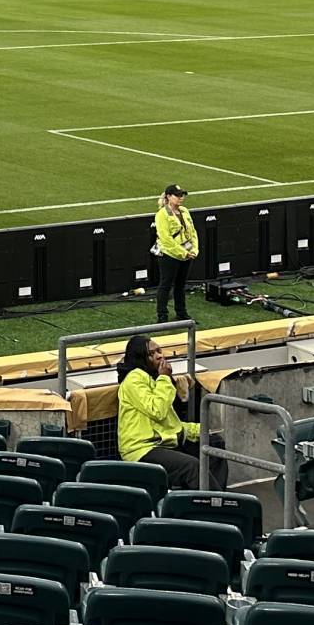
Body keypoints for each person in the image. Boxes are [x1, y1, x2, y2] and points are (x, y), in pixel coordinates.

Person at [115, 332, 201, 486]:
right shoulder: (134, 378)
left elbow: (170, 424)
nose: (159, 356)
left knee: (213, 445)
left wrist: (200, 430)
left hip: (164, 442)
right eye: (151, 354)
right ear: (140, 358)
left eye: (159, 351)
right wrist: (165, 378)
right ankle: (204, 506)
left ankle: (218, 500)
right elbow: (157, 410)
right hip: (142, 449)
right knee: (192, 466)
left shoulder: (155, 378)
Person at [152, 183, 198, 323]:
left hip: (186, 254)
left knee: (180, 285)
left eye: (181, 195)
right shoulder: (162, 214)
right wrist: (183, 253)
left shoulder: (184, 211)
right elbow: (165, 239)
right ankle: (162, 316)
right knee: (165, 285)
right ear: (168, 197)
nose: (181, 198)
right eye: (177, 195)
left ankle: (182, 313)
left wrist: (194, 249)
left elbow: (192, 232)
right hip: (169, 255)